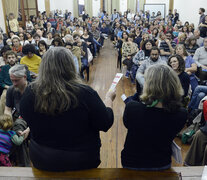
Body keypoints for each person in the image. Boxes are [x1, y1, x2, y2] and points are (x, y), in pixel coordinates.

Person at [19, 47, 115, 171]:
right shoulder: (85, 93)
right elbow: (105, 123)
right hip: (80, 159)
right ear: (70, 66)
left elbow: (26, 116)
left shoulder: (30, 92)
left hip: (42, 157)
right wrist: (108, 100)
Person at [121, 64, 187, 170]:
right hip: (162, 163)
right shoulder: (181, 114)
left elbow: (128, 124)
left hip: (132, 163)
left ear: (149, 85)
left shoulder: (132, 108)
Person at [4, 64, 30, 166]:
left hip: (32, 121)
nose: (14, 83)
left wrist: (29, 129)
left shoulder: (34, 89)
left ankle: (22, 165)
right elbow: (7, 109)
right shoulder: (11, 89)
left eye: (16, 80)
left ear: (24, 77)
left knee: (18, 127)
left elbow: (40, 115)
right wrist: (6, 123)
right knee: (16, 130)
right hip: (17, 119)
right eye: (12, 80)